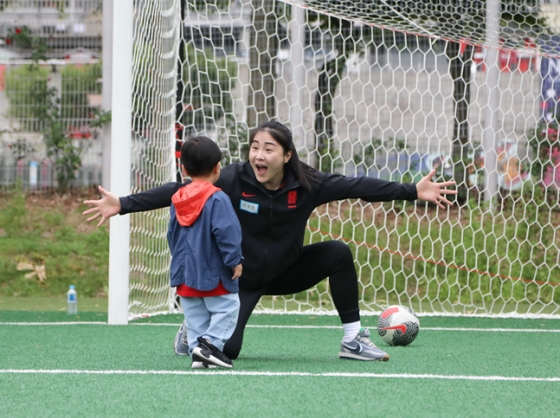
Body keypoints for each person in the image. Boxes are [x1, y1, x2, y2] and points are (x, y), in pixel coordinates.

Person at [84, 121, 456, 362]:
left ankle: (353, 340)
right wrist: (124, 204)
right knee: (229, 350)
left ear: (286, 155)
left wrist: (412, 190)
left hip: (286, 270)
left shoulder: (308, 184)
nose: (259, 155)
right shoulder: (231, 179)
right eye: (254, 147)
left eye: (269, 149)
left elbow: (357, 185)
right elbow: (180, 190)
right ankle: (193, 331)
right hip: (240, 280)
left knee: (338, 253)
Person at [167, 136, 243, 369]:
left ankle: (197, 355)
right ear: (217, 167)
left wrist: (181, 264)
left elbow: (172, 235)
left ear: (184, 169)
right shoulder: (218, 198)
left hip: (187, 274)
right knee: (229, 307)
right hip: (214, 272)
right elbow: (227, 232)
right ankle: (210, 344)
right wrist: (234, 261)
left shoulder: (177, 198)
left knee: (195, 318)